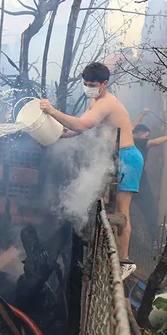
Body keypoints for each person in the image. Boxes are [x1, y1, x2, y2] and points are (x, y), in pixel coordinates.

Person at [39, 62, 141, 278]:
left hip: (127, 158)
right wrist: (57, 134)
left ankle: (125, 261)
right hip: (114, 157)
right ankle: (107, 254)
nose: (88, 88)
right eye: (85, 83)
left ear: (104, 84)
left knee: (122, 212)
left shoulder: (106, 103)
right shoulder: (96, 100)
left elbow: (81, 125)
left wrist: (51, 110)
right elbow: (78, 128)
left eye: (92, 84)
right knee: (108, 210)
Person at [130, 108, 167, 241]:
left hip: (129, 181)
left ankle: (153, 241)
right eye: (146, 135)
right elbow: (156, 142)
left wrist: (143, 114)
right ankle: (155, 241)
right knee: (151, 212)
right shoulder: (137, 141)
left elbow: (132, 126)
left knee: (125, 211)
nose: (147, 138)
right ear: (138, 134)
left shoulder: (126, 137)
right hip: (138, 183)